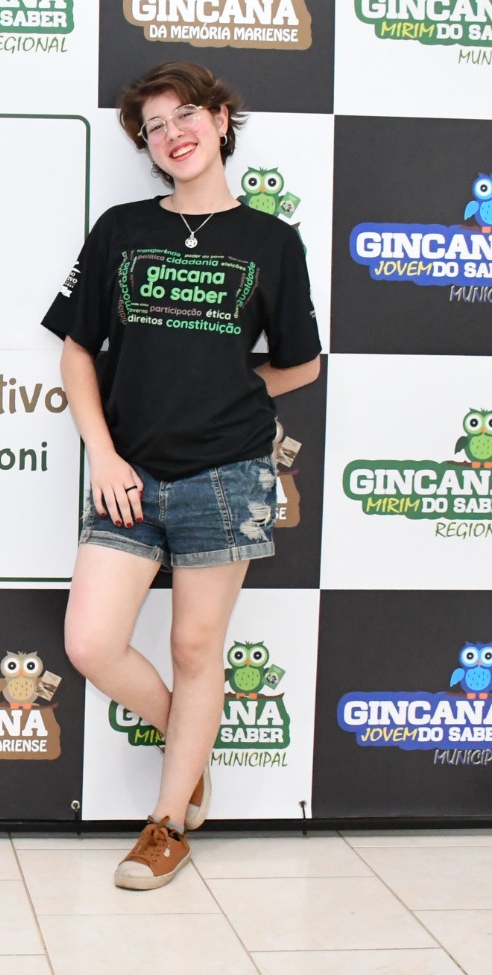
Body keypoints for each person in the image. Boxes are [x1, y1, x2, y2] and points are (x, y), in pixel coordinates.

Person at [41, 61, 320, 890]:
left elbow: (301, 364)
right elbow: (77, 351)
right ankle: (189, 750)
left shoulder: (273, 242)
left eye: (186, 115)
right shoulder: (122, 229)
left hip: (228, 474)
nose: (172, 134)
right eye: (154, 126)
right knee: (90, 642)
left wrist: (228, 387)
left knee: (196, 647)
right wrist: (103, 452)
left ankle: (165, 825)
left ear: (222, 119)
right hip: (128, 472)